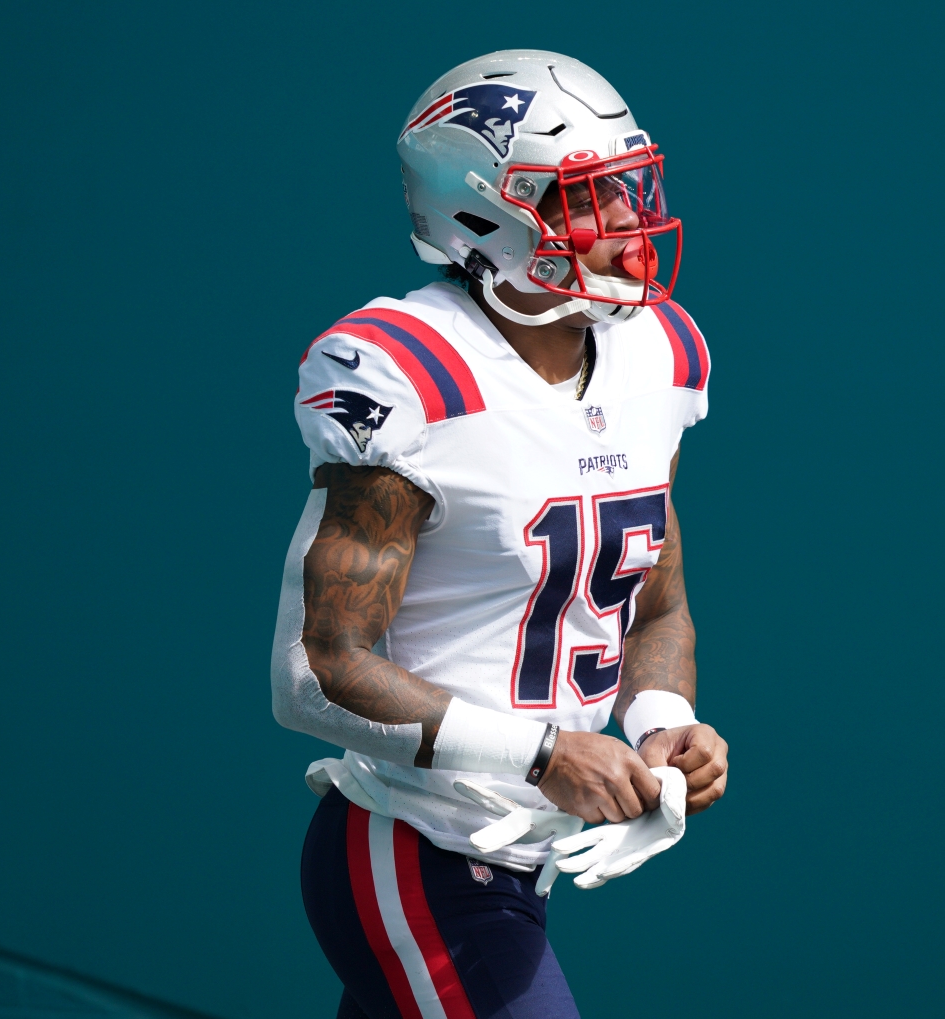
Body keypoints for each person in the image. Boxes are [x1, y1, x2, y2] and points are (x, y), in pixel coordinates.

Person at [271, 49, 729, 1018]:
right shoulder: (411, 373)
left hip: (524, 854)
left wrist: (659, 723)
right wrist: (539, 752)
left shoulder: (656, 353)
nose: (623, 225)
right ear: (478, 213)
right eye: (581, 199)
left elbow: (652, 597)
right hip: (415, 843)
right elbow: (316, 672)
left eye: (626, 188)